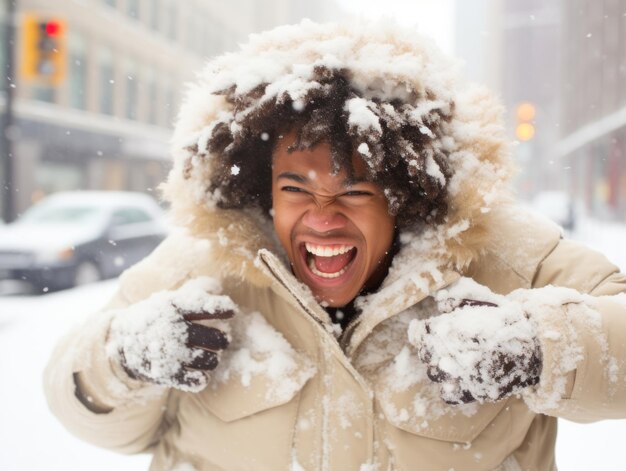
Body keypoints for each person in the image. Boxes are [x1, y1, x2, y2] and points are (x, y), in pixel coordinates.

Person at [44, 20, 626, 471]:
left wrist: (539, 347)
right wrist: (123, 358)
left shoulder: (505, 258)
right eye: (295, 187)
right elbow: (85, 413)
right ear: (261, 187)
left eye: (354, 189)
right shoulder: (200, 266)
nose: (322, 218)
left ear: (407, 194)